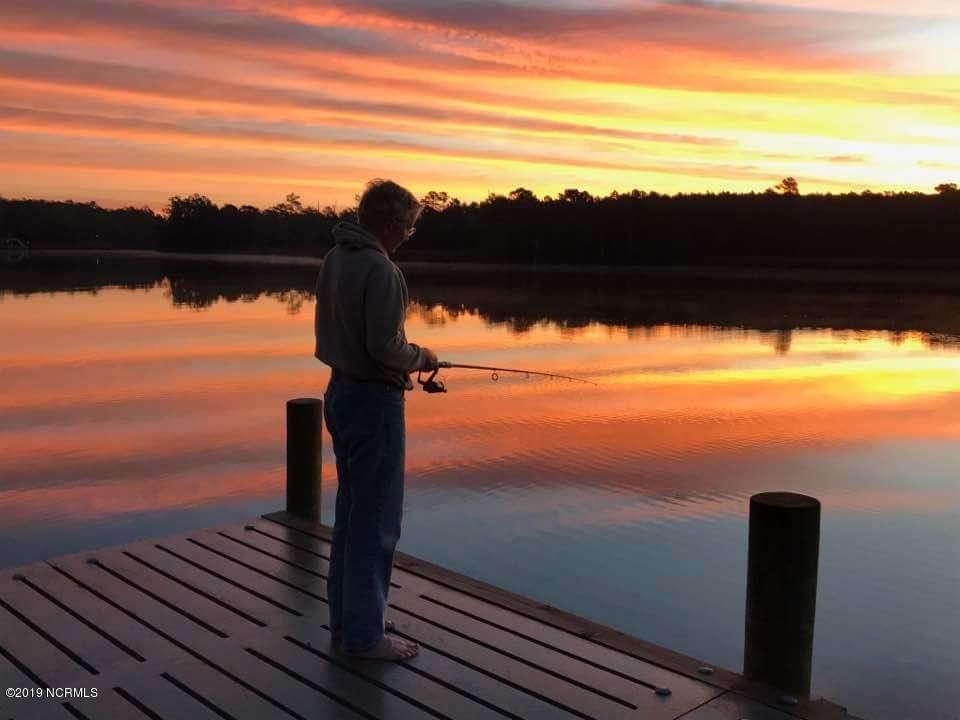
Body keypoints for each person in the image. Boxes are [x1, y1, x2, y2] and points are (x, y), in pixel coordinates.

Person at [314, 179, 438, 661]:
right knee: (377, 521)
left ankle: (349, 618)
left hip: (339, 394)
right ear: (390, 224)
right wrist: (424, 356)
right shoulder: (382, 270)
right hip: (374, 403)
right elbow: (386, 347)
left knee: (350, 515)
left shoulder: (335, 258)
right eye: (408, 227)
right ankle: (366, 637)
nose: (408, 235)